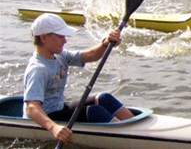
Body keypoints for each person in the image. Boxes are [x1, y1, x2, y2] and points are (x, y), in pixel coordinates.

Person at [23, 13, 134, 143]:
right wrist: (53, 128)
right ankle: (130, 139)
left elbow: (91, 55)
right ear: (43, 38)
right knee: (94, 112)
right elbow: (31, 107)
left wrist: (106, 43)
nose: (65, 40)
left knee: (104, 98)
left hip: (59, 109)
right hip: (44, 117)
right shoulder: (38, 69)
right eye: (60, 36)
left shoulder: (60, 56)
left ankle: (135, 129)